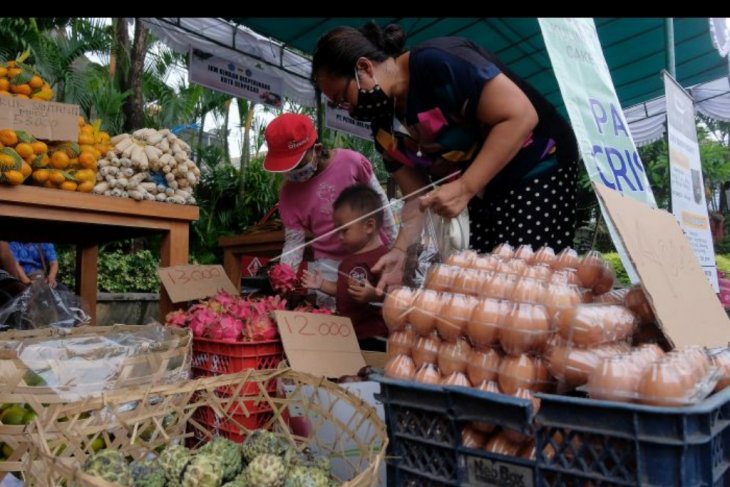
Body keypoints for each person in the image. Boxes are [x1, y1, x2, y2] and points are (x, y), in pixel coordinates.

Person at [311, 22, 580, 291]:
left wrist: (465, 187)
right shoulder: (383, 128)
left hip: (539, 165)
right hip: (484, 187)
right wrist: (401, 251)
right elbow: (416, 196)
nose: (347, 110)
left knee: (528, 279)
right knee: (485, 280)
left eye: (343, 97)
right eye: (338, 106)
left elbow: (520, 115)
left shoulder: (436, 62)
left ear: (364, 68)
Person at [263, 112, 396, 307]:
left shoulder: (351, 162)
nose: (292, 173)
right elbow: (294, 243)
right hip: (329, 266)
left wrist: (396, 246)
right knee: (334, 320)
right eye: (286, 168)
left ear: (316, 149)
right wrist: (286, 277)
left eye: (297, 164)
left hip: (373, 254)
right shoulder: (287, 195)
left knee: (378, 310)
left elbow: (381, 203)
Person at [302, 184, 389, 351]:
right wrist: (321, 284)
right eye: (337, 231)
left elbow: (395, 296)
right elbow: (342, 290)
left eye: (344, 230)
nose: (339, 237)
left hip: (374, 337)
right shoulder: (348, 260)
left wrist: (374, 295)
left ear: (369, 226)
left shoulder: (383, 258)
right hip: (348, 335)